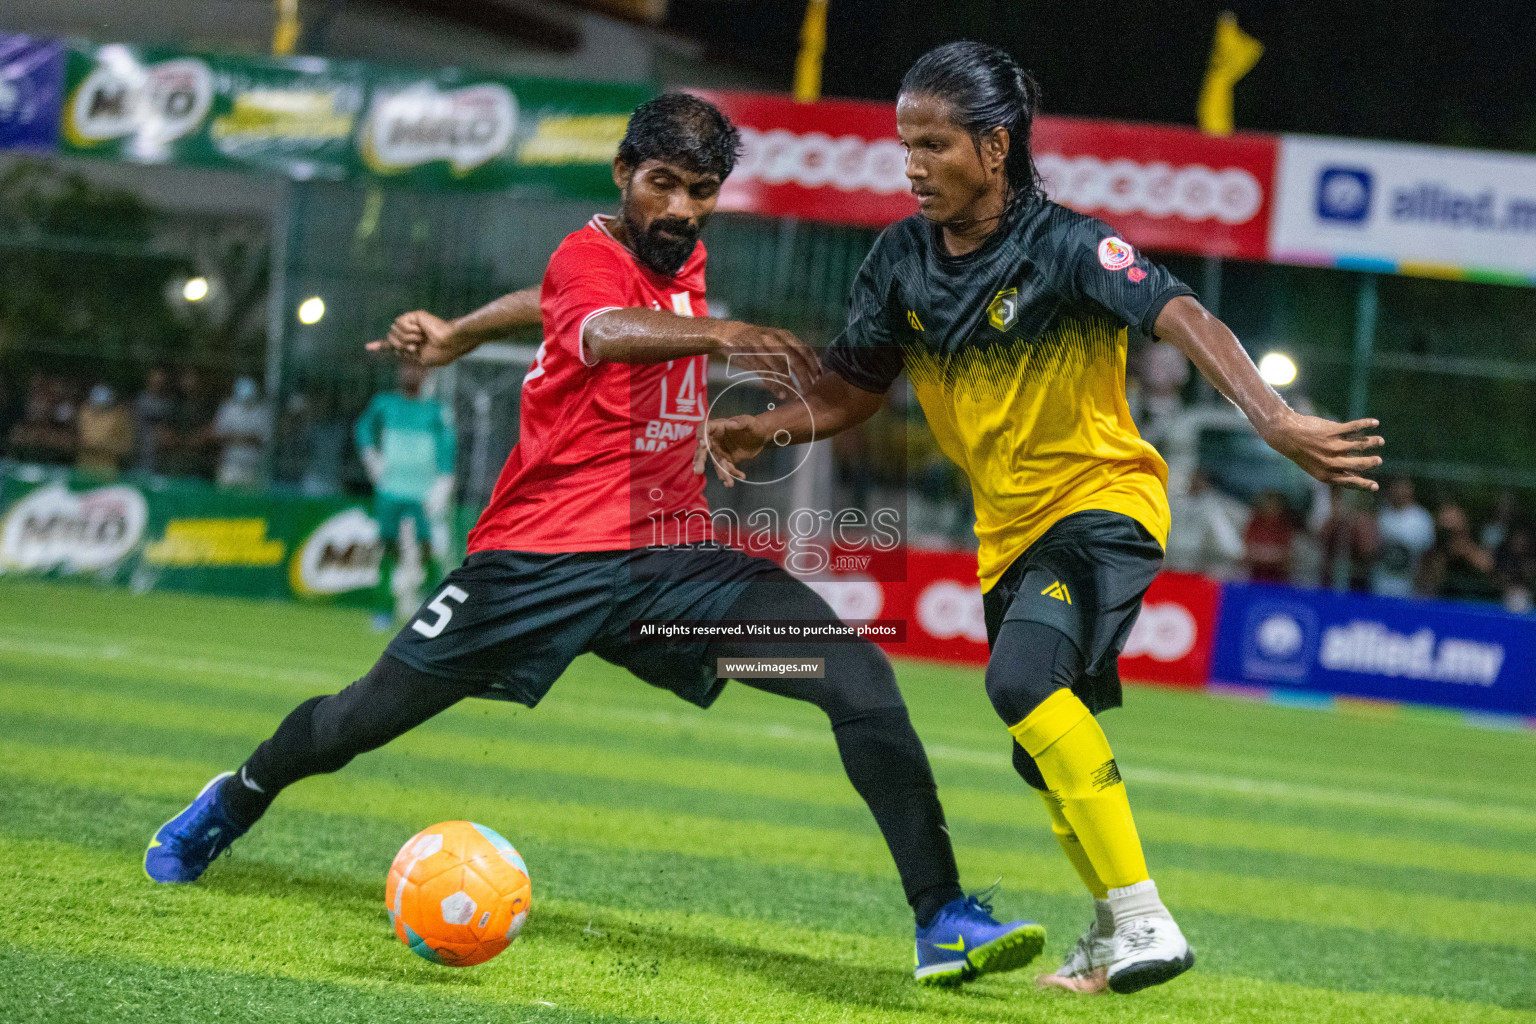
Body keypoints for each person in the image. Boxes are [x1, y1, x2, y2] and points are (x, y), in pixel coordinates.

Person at [144, 93, 1042, 988]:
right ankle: (236, 797)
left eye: (702, 190)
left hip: (667, 562)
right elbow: (597, 327)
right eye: (662, 185)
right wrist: (723, 332)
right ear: (622, 174)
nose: (681, 209)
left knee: (854, 675)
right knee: (352, 724)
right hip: (537, 561)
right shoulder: (590, 252)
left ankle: (942, 918)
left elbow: (547, 308)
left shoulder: (676, 256)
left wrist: (459, 332)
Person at [704, 42, 1383, 996]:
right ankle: (1113, 931)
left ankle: (1147, 920)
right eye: (906, 144)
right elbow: (853, 388)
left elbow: (1182, 313)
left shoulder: (1069, 244)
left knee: (1020, 679)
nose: (913, 165)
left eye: (935, 145)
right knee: (1041, 750)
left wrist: (1271, 418)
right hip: (1008, 534)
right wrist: (767, 426)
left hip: (1103, 505)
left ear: (996, 146)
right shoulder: (900, 259)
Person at [355, 362, 458, 624]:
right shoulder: (385, 403)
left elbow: (448, 444)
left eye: (416, 369)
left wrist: (444, 481)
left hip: (423, 492)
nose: (410, 373)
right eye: (406, 368)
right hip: (390, 488)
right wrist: (370, 457)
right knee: (387, 546)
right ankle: (383, 608)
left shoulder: (436, 411)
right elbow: (363, 428)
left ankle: (432, 608)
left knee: (428, 547)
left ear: (426, 375)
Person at [1164, 469, 1243, 578]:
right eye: (1193, 478)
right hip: (1169, 565)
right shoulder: (1176, 502)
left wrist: (1233, 552)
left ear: (1207, 483)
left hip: (1196, 569)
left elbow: (1228, 542)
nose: (1195, 482)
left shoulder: (1211, 508)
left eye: (1199, 479)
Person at [1416, 502, 1500, 603]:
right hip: (1441, 599)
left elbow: (1487, 565)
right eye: (1446, 521)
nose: (1449, 526)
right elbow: (1425, 581)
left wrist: (1466, 550)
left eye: (1453, 521)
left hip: (1473, 598)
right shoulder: (1434, 550)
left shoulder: (1473, 544)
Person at [1373, 477, 1433, 598]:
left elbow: (1429, 555)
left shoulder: (1421, 518)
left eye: (1404, 487)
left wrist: (1425, 585)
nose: (1400, 491)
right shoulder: (1381, 515)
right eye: (1397, 487)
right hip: (1379, 583)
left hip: (1409, 587)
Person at [212, 376, 272, 489]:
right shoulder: (228, 408)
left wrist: (234, 437)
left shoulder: (262, 411)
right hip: (230, 465)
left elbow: (262, 439)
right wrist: (246, 437)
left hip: (253, 467)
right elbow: (219, 435)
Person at [1317, 485, 1379, 593]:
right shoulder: (1332, 521)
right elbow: (1322, 540)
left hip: (1357, 577)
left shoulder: (1365, 520)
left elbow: (1367, 549)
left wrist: (1354, 525)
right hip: (1331, 575)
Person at [76, 383, 134, 476]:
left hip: (106, 472)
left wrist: (103, 446)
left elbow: (126, 446)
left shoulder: (120, 416)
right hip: (83, 469)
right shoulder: (84, 412)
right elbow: (75, 438)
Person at [1243, 490, 1295, 584]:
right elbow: (1247, 551)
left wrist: (1263, 554)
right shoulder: (1255, 523)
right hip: (1255, 576)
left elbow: (1287, 555)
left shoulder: (1285, 526)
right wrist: (1271, 554)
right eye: (1269, 504)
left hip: (1279, 579)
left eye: (1276, 505)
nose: (1272, 507)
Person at [132, 367, 176, 475]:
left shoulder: (170, 404)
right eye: (154, 379)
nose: (157, 382)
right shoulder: (139, 401)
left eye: (160, 380)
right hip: (138, 453)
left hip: (160, 458)